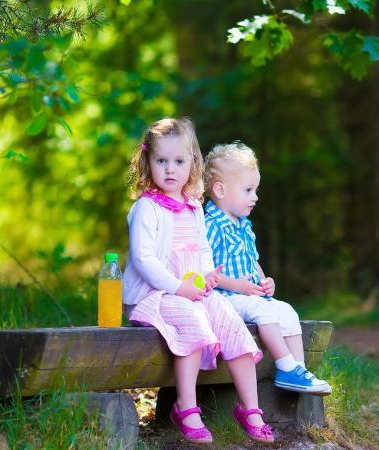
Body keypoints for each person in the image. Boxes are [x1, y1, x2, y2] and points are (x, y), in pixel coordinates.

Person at [122, 119, 274, 444]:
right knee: (193, 321)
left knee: (230, 322)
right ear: (147, 162)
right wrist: (180, 288)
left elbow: (203, 250)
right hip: (155, 295)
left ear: (193, 162)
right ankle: (186, 407)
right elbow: (143, 259)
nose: (170, 169)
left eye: (179, 161)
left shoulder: (193, 207)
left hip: (190, 292)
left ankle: (250, 409)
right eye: (161, 161)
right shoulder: (146, 208)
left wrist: (207, 277)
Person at [203, 141, 332, 396]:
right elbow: (204, 270)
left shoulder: (243, 225)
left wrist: (264, 282)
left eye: (256, 190)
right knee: (266, 314)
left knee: (287, 311)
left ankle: (299, 371)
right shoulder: (211, 225)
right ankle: (285, 366)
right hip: (224, 298)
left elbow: (253, 261)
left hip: (248, 295)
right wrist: (236, 285)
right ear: (220, 190)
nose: (255, 197)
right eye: (248, 190)